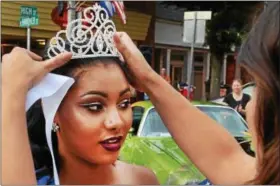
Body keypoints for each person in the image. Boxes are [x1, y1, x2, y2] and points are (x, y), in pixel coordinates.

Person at [2, 5, 158, 185]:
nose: (117, 122)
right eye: (95, 107)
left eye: (124, 104)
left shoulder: (143, 180)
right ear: (52, 112)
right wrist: (12, 91)